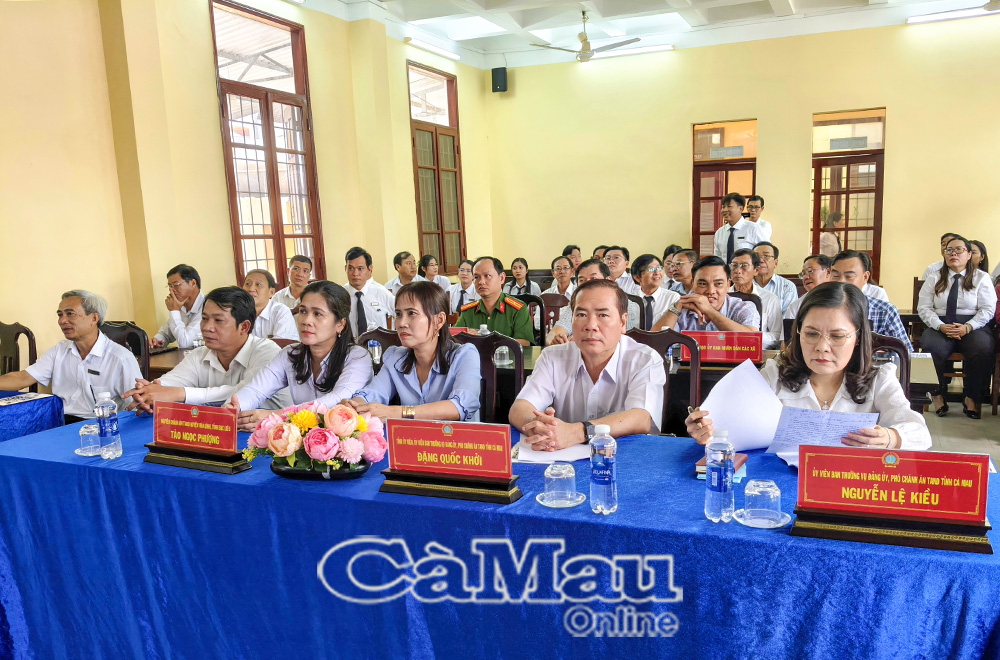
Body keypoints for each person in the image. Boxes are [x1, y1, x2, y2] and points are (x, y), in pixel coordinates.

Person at [685, 283, 930, 451]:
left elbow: (920, 433)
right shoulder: (775, 375)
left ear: (858, 337)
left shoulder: (879, 380)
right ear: (798, 332)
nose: (822, 347)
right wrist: (705, 430)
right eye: (811, 334)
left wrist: (891, 437)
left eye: (837, 336)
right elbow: (726, 425)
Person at [510, 279, 666, 449]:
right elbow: (520, 408)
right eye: (581, 315)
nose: (591, 326)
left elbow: (641, 418)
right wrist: (541, 429)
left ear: (623, 322)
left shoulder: (644, 359)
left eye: (603, 315)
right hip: (561, 458)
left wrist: (578, 432)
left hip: (625, 456)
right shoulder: (552, 357)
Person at [226, 281, 373, 431]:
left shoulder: (357, 357)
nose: (306, 321)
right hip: (300, 438)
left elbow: (336, 401)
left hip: (347, 440)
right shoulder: (290, 354)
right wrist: (234, 407)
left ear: (340, 324)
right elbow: (256, 390)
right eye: (303, 311)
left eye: (317, 314)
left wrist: (277, 416)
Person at [125, 287, 289, 412]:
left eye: (218, 320)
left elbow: (244, 391)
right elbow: (172, 381)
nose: (207, 327)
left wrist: (178, 394)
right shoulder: (200, 355)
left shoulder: (267, 352)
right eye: (204, 318)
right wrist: (148, 391)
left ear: (244, 327)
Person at [346, 281, 482, 422]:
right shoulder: (396, 357)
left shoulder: (464, 355)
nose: (401, 323)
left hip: (457, 436)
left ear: (439, 320)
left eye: (412, 313)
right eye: (398, 314)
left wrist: (394, 412)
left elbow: (459, 407)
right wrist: (353, 406)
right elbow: (371, 394)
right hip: (411, 436)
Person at [0, 290, 142, 419]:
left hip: (100, 425)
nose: (62, 321)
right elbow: (23, 378)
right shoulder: (59, 350)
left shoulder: (120, 358)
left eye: (70, 314)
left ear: (94, 318)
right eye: (60, 315)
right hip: (58, 422)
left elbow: (136, 405)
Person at [917, 236, 997, 419]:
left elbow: (988, 309)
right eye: (949, 250)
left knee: (982, 348)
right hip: (940, 324)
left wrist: (968, 327)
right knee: (930, 348)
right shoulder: (934, 277)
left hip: (973, 325)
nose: (953, 253)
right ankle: (937, 396)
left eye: (959, 249)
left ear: (969, 255)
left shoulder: (981, 278)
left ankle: (971, 397)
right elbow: (924, 307)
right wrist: (940, 326)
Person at [830, 251, 913, 350]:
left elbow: (905, 353)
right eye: (835, 276)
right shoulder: (818, 309)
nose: (841, 281)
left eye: (849, 276)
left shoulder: (885, 312)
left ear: (865, 277)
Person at [653, 256, 759, 332]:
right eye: (703, 284)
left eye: (718, 284)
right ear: (692, 284)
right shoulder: (681, 309)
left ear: (728, 285)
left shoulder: (743, 307)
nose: (711, 291)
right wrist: (677, 307)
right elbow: (653, 344)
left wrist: (709, 310)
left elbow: (752, 340)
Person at [545, 259, 641, 344]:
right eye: (582, 280)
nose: (588, 284)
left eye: (594, 279)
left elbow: (628, 341)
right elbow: (554, 333)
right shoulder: (576, 306)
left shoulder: (626, 306)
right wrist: (556, 340)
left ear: (608, 280)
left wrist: (582, 338)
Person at [454, 256, 533, 346]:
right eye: (476, 277)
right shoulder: (468, 311)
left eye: (487, 276)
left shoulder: (518, 309)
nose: (481, 282)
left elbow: (525, 343)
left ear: (502, 278)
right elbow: (454, 339)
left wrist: (483, 341)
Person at [729, 249, 782, 349]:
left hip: (759, 352)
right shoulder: (722, 296)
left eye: (744, 266)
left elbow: (777, 335)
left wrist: (752, 336)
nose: (737, 271)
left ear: (756, 270)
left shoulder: (770, 299)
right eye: (734, 265)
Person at [150, 264, 204, 349]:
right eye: (170, 286)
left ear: (193, 283)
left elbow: (185, 343)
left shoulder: (207, 307)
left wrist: (174, 311)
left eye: (176, 285)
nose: (171, 290)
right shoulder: (181, 307)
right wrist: (156, 341)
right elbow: (166, 334)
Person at [344, 246, 394, 336]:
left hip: (378, 343)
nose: (355, 273)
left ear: (370, 269)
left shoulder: (381, 292)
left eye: (360, 269)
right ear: (345, 269)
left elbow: (400, 314)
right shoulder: (341, 294)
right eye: (351, 268)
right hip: (349, 344)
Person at [242, 269, 298, 341]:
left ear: (271, 292)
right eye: (248, 284)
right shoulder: (237, 312)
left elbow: (279, 345)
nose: (251, 289)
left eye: (258, 284)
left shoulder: (280, 312)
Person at [631, 254, 680, 331]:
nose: (657, 272)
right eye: (651, 269)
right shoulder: (629, 300)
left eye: (659, 268)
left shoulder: (673, 298)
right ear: (637, 277)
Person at [712, 193, 765, 264]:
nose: (725, 210)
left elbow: (765, 252)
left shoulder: (754, 229)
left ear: (741, 209)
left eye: (729, 206)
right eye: (723, 207)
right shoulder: (719, 232)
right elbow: (717, 259)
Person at [753, 242, 797, 314]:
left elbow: (788, 317)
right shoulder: (745, 285)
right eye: (756, 256)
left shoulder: (787, 287)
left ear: (775, 263)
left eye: (766, 256)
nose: (760, 260)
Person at [785, 254, 832, 319]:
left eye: (810, 271)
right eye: (803, 274)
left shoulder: (840, 299)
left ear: (828, 272)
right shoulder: (796, 306)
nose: (806, 277)